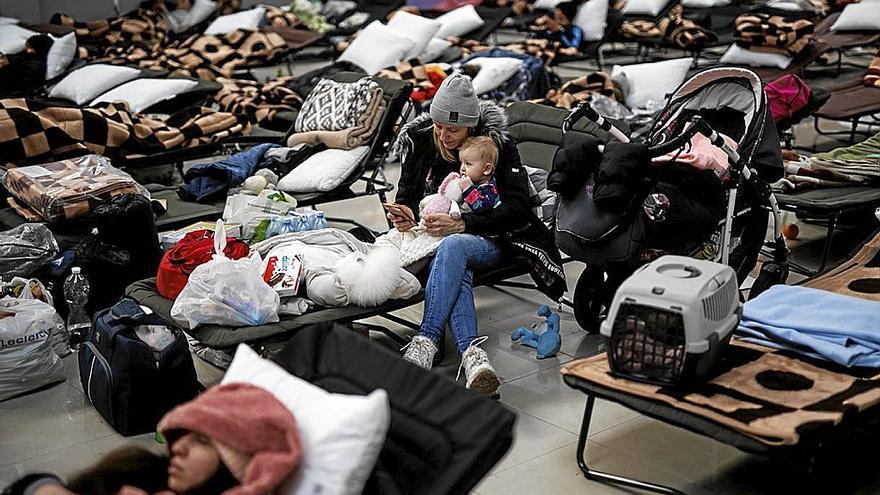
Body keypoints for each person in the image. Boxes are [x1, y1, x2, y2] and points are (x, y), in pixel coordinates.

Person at [390, 72, 566, 398]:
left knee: (455, 246)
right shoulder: (418, 139)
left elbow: (518, 210)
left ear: (471, 126)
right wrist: (405, 214)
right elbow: (406, 194)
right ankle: (474, 359)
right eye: (439, 126)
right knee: (456, 262)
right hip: (432, 239)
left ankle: (426, 341)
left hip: (495, 237)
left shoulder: (494, 147)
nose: (443, 136)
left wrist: (462, 224)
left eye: (453, 129)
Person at [3, 383, 301, 495]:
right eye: (182, 436)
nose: (177, 448)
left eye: (202, 441)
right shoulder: (142, 470)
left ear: (235, 463)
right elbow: (31, 486)